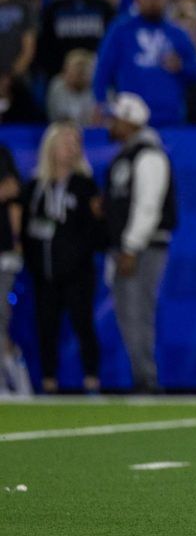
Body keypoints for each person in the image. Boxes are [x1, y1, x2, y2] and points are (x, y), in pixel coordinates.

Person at [103, 93, 177, 393]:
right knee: (129, 314)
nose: (111, 123)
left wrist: (131, 245)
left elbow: (148, 206)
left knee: (137, 313)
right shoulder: (128, 154)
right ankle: (142, 377)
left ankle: (146, 381)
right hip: (129, 247)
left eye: (117, 118)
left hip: (143, 248)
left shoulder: (149, 155)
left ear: (129, 122)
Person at [23, 122, 104, 395]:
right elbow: (27, 227)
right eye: (66, 143)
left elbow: (96, 230)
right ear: (52, 147)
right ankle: (49, 382)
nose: (72, 149)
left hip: (77, 272)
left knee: (83, 325)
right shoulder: (36, 186)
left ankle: (92, 380)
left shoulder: (85, 185)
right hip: (44, 272)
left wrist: (77, 255)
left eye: (76, 144)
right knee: (46, 327)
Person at [92, 0, 196, 126]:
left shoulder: (177, 33)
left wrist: (181, 66)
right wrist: (100, 103)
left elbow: (195, 71)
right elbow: (103, 70)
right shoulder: (121, 30)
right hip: (131, 120)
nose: (153, 1)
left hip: (171, 118)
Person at [0, 143, 31, 396]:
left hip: (2, 251)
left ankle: (17, 383)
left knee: (1, 317)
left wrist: (16, 240)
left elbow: (13, 196)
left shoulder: (3, 153)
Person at [47, 49, 97, 124]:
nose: (78, 75)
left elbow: (98, 120)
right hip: (62, 130)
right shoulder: (57, 86)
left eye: (82, 72)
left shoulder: (98, 88)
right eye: (74, 70)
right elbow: (55, 117)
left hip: (90, 131)